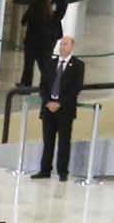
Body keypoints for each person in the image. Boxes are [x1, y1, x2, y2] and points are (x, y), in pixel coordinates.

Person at [34, 37, 85, 181]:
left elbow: (76, 87)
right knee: (47, 141)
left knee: (64, 142)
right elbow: (43, 85)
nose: (62, 47)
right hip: (48, 109)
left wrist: (60, 103)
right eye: (61, 44)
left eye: (65, 44)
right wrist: (48, 102)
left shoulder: (78, 65)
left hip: (65, 110)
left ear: (72, 47)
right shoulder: (50, 63)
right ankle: (44, 170)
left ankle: (62, 171)